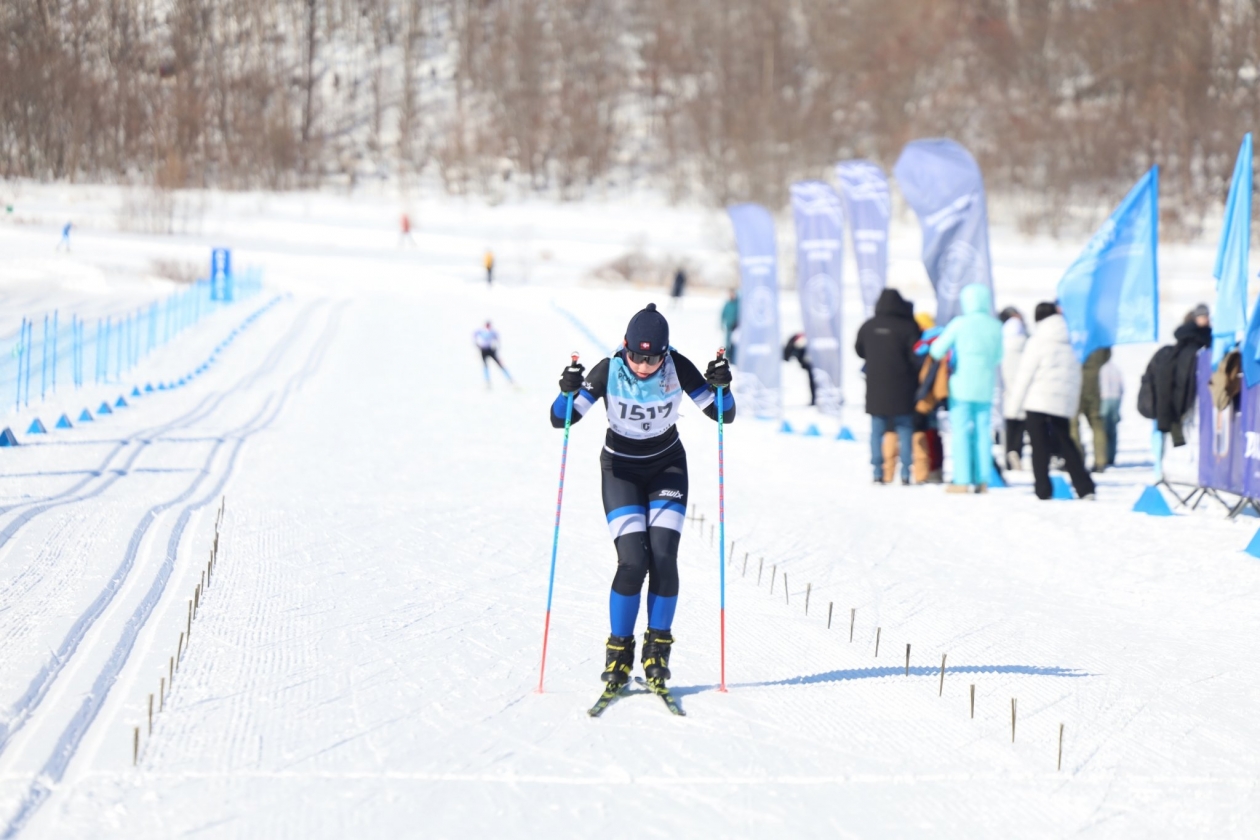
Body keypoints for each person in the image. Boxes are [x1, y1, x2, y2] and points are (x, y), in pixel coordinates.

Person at [551, 303, 733, 693]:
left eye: (651, 358)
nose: (643, 365)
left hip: (667, 467)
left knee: (664, 557)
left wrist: (723, 386)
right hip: (621, 471)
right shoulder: (608, 370)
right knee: (634, 561)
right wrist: (566, 391)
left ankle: (658, 649)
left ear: (665, 353)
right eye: (635, 355)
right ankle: (618, 651)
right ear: (624, 347)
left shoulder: (677, 368)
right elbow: (560, 417)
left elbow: (722, 415)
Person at [1008, 302, 1096, 500]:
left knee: (1038, 447)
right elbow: (1075, 376)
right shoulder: (1071, 340)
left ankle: (1043, 490)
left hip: (1037, 400)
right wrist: (1071, 405)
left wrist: (1013, 409)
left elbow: (1025, 374)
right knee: (1066, 443)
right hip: (1061, 403)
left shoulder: (1038, 339)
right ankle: (1085, 487)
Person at [929, 284, 1003, 493]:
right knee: (982, 432)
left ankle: (961, 480)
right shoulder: (995, 326)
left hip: (961, 386)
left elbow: (936, 350)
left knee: (960, 433)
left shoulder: (959, 324)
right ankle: (982, 479)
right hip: (986, 386)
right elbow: (999, 356)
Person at [855, 289, 921, 485]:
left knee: (877, 431)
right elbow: (916, 356)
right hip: (904, 388)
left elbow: (859, 350)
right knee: (905, 428)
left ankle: (877, 471)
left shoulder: (868, 326)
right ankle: (906, 472)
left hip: (876, 387)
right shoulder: (909, 327)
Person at [911, 313, 948, 483]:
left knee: (928, 432)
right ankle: (938, 468)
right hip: (941, 390)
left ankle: (932, 469)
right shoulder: (942, 336)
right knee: (935, 432)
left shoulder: (926, 342)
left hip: (929, 392)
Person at [1072, 346, 1113, 472]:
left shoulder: (1074, 337)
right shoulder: (1098, 342)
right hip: (1094, 384)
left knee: (1072, 424)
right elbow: (1107, 355)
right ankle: (1100, 460)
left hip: (1075, 384)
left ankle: (1076, 458)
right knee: (1097, 423)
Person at [998, 307, 1028, 470]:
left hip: (1007, 396)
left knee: (1009, 429)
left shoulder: (1001, 349)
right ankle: (1018, 454)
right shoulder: (1028, 347)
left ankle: (1010, 456)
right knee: (1023, 429)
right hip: (1025, 397)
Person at [1099, 355, 1123, 467]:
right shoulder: (1115, 368)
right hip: (1115, 399)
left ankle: (1103, 456)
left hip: (1104, 399)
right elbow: (1122, 387)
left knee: (1103, 429)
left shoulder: (1099, 368)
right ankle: (1111, 456)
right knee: (1112, 431)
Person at [473, 321, 513, 387]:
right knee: (485, 366)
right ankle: (487, 381)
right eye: (487, 325)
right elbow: (474, 335)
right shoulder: (481, 331)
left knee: (500, 364)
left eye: (489, 325)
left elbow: (498, 339)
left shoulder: (493, 332)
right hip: (483, 350)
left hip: (491, 349)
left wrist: (497, 348)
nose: (488, 327)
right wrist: (476, 344)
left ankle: (509, 378)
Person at [783, 332, 815, 406]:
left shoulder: (808, 343)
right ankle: (814, 400)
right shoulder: (792, 345)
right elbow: (786, 357)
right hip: (810, 367)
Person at [720, 290, 739, 364]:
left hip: (735, 326)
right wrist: (722, 324)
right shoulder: (727, 304)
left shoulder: (737, 304)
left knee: (734, 342)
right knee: (727, 342)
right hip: (729, 326)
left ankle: (733, 357)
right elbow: (723, 314)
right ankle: (727, 356)